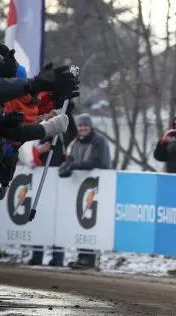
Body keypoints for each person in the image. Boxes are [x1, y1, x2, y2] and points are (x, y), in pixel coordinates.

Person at [57, 114, 112, 269]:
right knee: (81, 220)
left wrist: (74, 166)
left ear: (90, 126)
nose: (82, 128)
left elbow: (96, 161)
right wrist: (66, 166)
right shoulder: (75, 142)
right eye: (80, 126)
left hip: (98, 186)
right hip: (81, 187)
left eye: (85, 126)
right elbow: (70, 157)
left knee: (92, 221)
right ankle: (82, 255)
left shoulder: (99, 141)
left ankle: (90, 257)